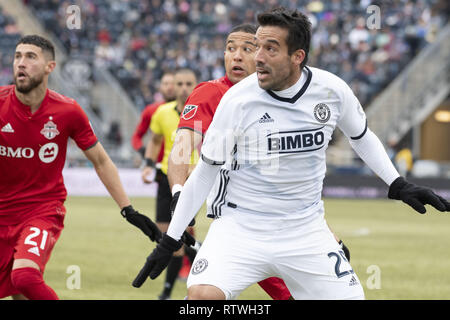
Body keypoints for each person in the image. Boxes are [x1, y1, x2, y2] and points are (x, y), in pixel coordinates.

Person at [133, 7, 450, 300]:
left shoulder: (332, 91)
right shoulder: (237, 102)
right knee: (202, 298)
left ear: (297, 56)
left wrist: (396, 183)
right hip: (239, 228)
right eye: (256, 46)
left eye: (269, 48)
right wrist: (171, 238)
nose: (257, 57)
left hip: (306, 230)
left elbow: (361, 137)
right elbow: (204, 171)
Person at [0, 35, 161, 300]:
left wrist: (127, 209)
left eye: (30, 57)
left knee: (25, 277)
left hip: (41, 210)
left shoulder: (68, 111)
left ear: (50, 66)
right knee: (20, 291)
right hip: (3, 211)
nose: (21, 63)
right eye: (18, 56)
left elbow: (100, 160)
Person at [141, 68, 198, 300]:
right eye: (180, 83)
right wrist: (147, 163)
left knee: (179, 235)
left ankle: (166, 292)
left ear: (196, 86)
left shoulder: (205, 112)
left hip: (193, 180)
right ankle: (203, 252)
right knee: (167, 237)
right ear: (172, 87)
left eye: (189, 83)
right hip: (167, 180)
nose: (184, 88)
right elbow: (154, 141)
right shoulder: (162, 112)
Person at [131, 71, 175, 160]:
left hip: (183, 165)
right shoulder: (151, 111)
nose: (170, 87)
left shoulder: (188, 111)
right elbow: (136, 137)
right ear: (160, 88)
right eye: (166, 84)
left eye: (173, 84)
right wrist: (142, 150)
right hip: (158, 166)